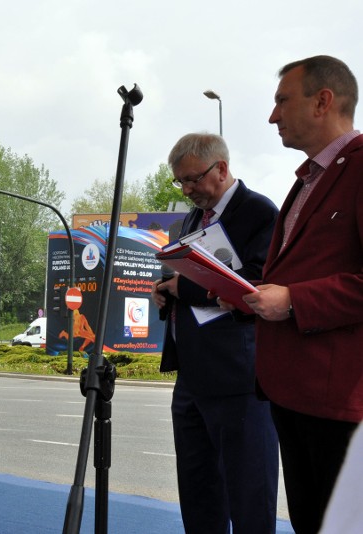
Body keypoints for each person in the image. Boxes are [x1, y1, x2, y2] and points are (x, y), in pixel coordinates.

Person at [228, 55, 362, 534]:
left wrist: (294, 301)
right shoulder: (309, 178)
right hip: (295, 394)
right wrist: (251, 294)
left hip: (337, 400)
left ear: (323, 101)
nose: (272, 115)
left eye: (283, 100)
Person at [152, 133, 279, 533]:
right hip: (192, 376)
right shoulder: (191, 218)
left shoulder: (258, 212)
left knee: (248, 499)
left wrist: (181, 289)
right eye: (181, 182)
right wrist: (165, 291)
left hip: (239, 376)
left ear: (221, 168)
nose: (188, 190)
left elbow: (256, 285)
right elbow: (184, 272)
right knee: (198, 493)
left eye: (193, 179)